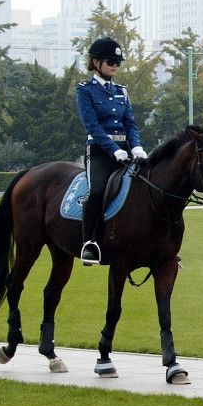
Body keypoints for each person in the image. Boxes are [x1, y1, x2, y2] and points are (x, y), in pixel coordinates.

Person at [75, 37, 148, 266]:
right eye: (110, 61)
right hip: (99, 152)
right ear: (95, 62)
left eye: (118, 61)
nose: (115, 65)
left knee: (149, 187)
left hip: (126, 151)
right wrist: (113, 149)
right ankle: (90, 243)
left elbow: (130, 124)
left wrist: (136, 145)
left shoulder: (122, 92)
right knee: (97, 191)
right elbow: (93, 127)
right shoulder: (85, 91)